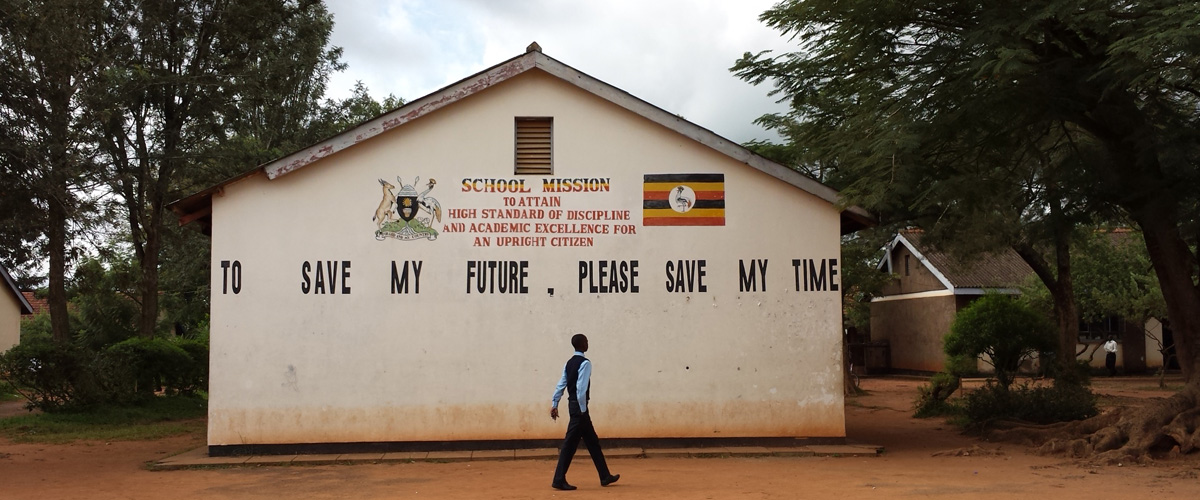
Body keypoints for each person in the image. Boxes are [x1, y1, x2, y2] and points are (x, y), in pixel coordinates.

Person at [549, 333, 620, 490]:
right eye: (586, 341)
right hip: (579, 409)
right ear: (582, 344)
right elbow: (581, 389)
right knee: (569, 445)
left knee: (592, 443)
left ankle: (605, 476)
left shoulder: (569, 363)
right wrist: (583, 410)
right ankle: (558, 479)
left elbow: (561, 384)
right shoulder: (585, 363)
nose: (588, 343)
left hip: (573, 406)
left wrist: (555, 403)